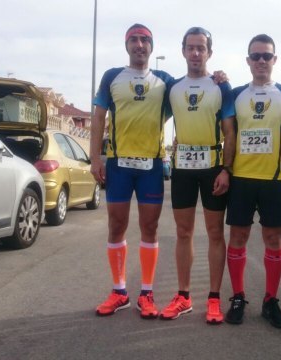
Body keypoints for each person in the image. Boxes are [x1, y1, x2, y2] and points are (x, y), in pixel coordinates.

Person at [90, 24, 174, 319]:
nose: (140, 44)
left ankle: (147, 294)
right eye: (134, 40)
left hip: (151, 164)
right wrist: (94, 158)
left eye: (145, 40)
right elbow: (99, 117)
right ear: (127, 45)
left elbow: (194, 92)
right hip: (119, 163)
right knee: (117, 225)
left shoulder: (164, 80)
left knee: (150, 228)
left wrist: (218, 78)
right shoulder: (112, 77)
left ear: (152, 46)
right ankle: (119, 291)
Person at [158, 27, 235, 324]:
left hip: (213, 168)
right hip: (183, 169)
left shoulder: (221, 86)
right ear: (183, 51)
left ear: (209, 52)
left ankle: (214, 299)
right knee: (183, 232)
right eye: (190, 47)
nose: (195, 53)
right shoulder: (172, 88)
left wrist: (227, 169)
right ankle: (183, 296)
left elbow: (230, 131)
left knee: (215, 233)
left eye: (201, 48)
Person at [224, 34, 281, 328]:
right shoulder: (236, 95)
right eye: (255, 56)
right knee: (238, 239)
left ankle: (270, 300)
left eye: (266, 56)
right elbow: (227, 133)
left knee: (273, 240)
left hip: (274, 180)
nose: (260, 61)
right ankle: (239, 297)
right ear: (248, 61)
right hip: (242, 179)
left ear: (274, 60)